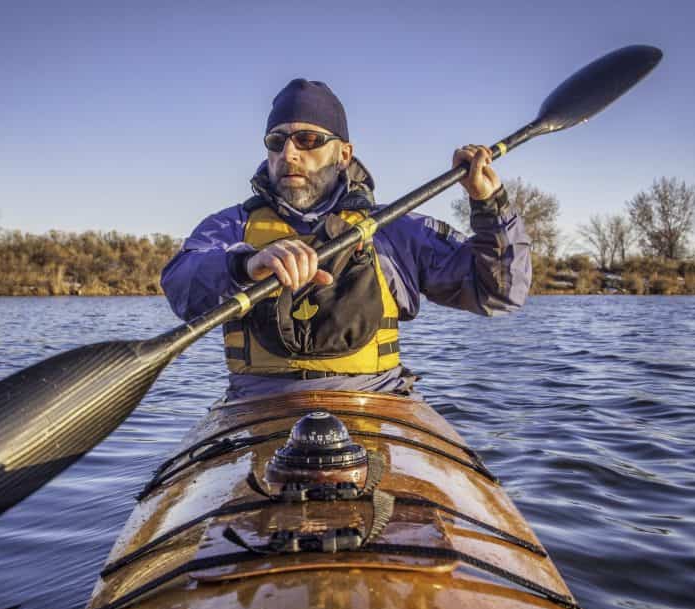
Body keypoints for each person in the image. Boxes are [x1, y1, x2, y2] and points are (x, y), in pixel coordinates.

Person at [161, 79, 530, 400]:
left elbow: (499, 292)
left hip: (376, 404)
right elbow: (180, 285)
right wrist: (245, 263)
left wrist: (489, 204)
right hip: (256, 408)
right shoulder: (230, 227)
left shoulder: (392, 229)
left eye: (307, 140)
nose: (289, 153)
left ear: (343, 155)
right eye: (277, 141)